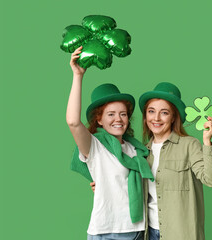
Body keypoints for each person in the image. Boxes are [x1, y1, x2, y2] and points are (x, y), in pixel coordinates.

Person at [66, 47, 154, 240]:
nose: (118, 119)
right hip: (102, 231)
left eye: (123, 114)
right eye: (111, 114)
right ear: (99, 120)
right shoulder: (95, 146)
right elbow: (73, 122)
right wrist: (78, 76)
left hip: (133, 231)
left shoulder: (137, 150)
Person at [139, 82, 212, 240]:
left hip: (181, 234)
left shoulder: (189, 145)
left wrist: (207, 142)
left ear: (173, 117)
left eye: (164, 113)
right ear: (145, 116)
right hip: (149, 233)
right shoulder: (143, 152)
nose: (156, 118)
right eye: (151, 111)